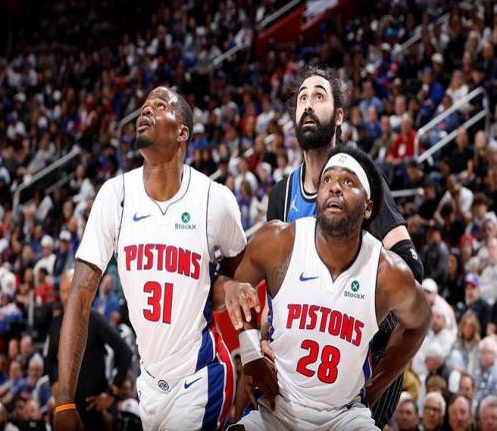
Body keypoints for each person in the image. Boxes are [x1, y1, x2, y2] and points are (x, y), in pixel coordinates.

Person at [54, 86, 253, 431]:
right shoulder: (115, 196)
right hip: (148, 382)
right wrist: (64, 399)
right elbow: (80, 295)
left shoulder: (215, 200)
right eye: (144, 105)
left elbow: (239, 280)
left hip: (200, 376)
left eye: (159, 105)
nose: (145, 110)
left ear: (182, 132)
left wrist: (250, 350)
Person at [265, 64, 425, 429]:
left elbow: (411, 266)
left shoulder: (361, 184)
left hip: (359, 349)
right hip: (302, 353)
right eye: (302, 98)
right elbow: (270, 287)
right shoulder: (282, 193)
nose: (308, 104)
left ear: (339, 116)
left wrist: (348, 283)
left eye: (319, 96)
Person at [226, 146, 430, 430]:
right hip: (277, 408)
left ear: (368, 207)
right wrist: (250, 354)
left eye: (348, 181)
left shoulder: (387, 272)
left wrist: (376, 385)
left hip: (344, 416)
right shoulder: (280, 241)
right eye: (328, 180)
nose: (335, 187)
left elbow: (419, 323)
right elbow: (231, 282)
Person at [46, 269, 132, 428]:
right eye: (63, 290)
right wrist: (55, 384)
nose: (66, 295)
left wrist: (111, 394)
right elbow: (50, 360)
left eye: (70, 289)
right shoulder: (56, 323)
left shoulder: (95, 319)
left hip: (92, 406)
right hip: (66, 406)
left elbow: (125, 352)